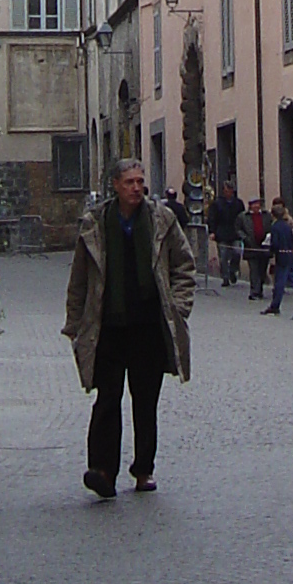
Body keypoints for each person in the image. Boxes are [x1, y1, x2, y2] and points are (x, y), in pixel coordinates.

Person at [63, 157, 195, 498]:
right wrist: (75, 322)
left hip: (149, 326)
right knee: (107, 398)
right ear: (116, 186)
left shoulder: (161, 219)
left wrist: (179, 308)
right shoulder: (95, 223)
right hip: (108, 326)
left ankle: (143, 469)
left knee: (145, 401)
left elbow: (183, 264)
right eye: (129, 182)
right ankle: (103, 470)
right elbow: (79, 276)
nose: (137, 187)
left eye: (140, 181)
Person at [208, 179, 244, 289]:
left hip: (235, 233)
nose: (228, 192)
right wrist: (212, 231)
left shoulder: (238, 203)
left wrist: (242, 231)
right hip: (222, 233)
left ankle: (233, 270)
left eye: (230, 190)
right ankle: (225, 277)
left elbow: (242, 218)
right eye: (226, 190)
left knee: (237, 252)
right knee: (223, 256)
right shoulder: (217, 203)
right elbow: (212, 218)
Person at [244, 195, 271, 301]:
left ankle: (259, 289)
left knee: (262, 269)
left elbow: (270, 226)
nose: (256, 206)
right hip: (251, 246)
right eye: (254, 204)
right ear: (250, 206)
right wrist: (245, 238)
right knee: (254, 269)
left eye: (258, 204)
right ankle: (254, 291)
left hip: (264, 246)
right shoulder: (244, 217)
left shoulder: (266, 215)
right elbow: (238, 229)